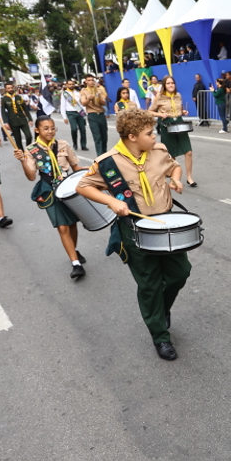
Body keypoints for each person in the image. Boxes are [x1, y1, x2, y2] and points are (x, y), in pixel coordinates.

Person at [76, 108, 189, 361]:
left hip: (166, 224)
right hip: (135, 230)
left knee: (180, 273)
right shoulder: (108, 162)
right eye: (150, 133)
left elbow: (174, 167)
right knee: (149, 284)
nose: (155, 137)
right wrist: (110, 201)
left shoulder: (158, 152)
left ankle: (162, 310)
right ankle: (160, 336)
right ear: (132, 136)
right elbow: (82, 186)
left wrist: (176, 180)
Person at [13, 115, 87, 278]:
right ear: (37, 130)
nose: (50, 131)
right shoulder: (31, 150)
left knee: (72, 224)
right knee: (62, 226)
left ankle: (73, 251)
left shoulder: (63, 145)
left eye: (52, 128)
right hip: (49, 190)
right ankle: (75, 264)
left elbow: (75, 167)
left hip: (67, 187)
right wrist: (22, 161)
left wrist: (93, 170)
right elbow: (31, 176)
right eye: (46, 128)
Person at [148, 76, 196, 187]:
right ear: (164, 85)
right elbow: (150, 111)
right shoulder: (159, 97)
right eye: (168, 83)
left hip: (179, 123)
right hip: (167, 124)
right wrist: (160, 114)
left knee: (188, 151)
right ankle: (174, 179)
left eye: (172, 83)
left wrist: (183, 111)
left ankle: (189, 177)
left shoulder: (178, 95)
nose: (171, 85)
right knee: (171, 155)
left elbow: (180, 108)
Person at [80, 74, 109, 155]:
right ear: (85, 81)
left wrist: (99, 97)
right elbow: (83, 103)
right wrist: (89, 99)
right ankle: (100, 155)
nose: (91, 82)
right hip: (92, 114)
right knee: (97, 137)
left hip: (101, 114)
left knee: (104, 136)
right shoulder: (84, 91)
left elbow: (103, 103)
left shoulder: (99, 90)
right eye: (89, 80)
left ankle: (105, 154)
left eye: (92, 80)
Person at [1, 82, 34, 148]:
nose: (10, 89)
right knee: (18, 139)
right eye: (8, 88)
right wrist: (5, 122)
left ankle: (28, 149)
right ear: (5, 89)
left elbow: (25, 109)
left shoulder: (18, 97)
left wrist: (30, 119)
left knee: (29, 136)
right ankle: (22, 153)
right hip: (13, 121)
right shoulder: (4, 99)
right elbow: (3, 112)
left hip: (22, 120)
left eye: (11, 87)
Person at [60, 79, 89, 151]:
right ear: (66, 85)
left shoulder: (78, 93)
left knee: (82, 129)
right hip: (70, 113)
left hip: (79, 112)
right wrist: (64, 117)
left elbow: (81, 103)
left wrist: (85, 112)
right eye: (69, 84)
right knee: (74, 129)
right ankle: (75, 143)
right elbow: (62, 106)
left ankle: (83, 145)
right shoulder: (64, 94)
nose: (71, 85)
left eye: (72, 84)